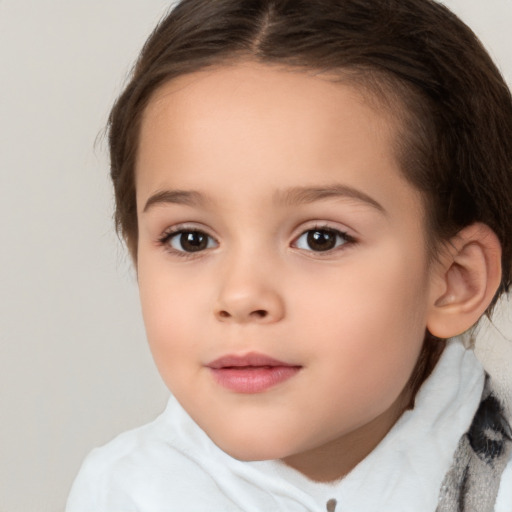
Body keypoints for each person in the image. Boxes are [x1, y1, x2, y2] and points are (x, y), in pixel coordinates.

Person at [66, 0, 512, 510]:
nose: (240, 295)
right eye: (191, 238)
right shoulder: (125, 491)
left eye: (321, 238)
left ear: (456, 280)